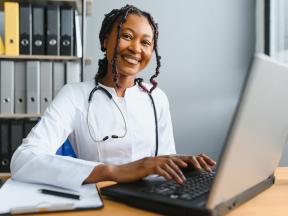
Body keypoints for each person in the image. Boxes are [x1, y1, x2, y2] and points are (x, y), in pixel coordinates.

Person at [11, 5, 216, 190]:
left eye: (145, 42)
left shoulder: (157, 98)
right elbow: (23, 160)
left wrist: (182, 165)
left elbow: (165, 163)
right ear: (105, 41)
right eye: (127, 36)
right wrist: (113, 171)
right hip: (103, 199)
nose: (136, 48)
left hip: (152, 200)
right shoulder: (74, 96)